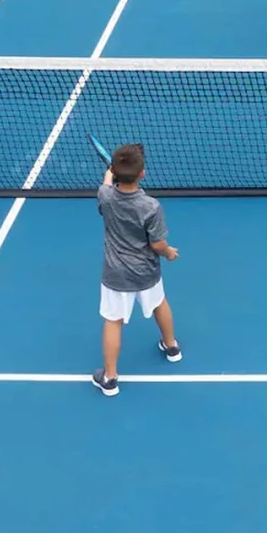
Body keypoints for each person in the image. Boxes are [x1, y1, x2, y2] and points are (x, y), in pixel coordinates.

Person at [91, 142, 181, 396]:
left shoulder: (105, 196)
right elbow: (157, 243)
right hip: (146, 272)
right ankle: (171, 346)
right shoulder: (151, 206)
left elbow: (106, 184)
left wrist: (110, 174)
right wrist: (169, 252)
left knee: (113, 321)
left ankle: (109, 379)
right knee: (159, 302)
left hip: (116, 274)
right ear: (142, 173)